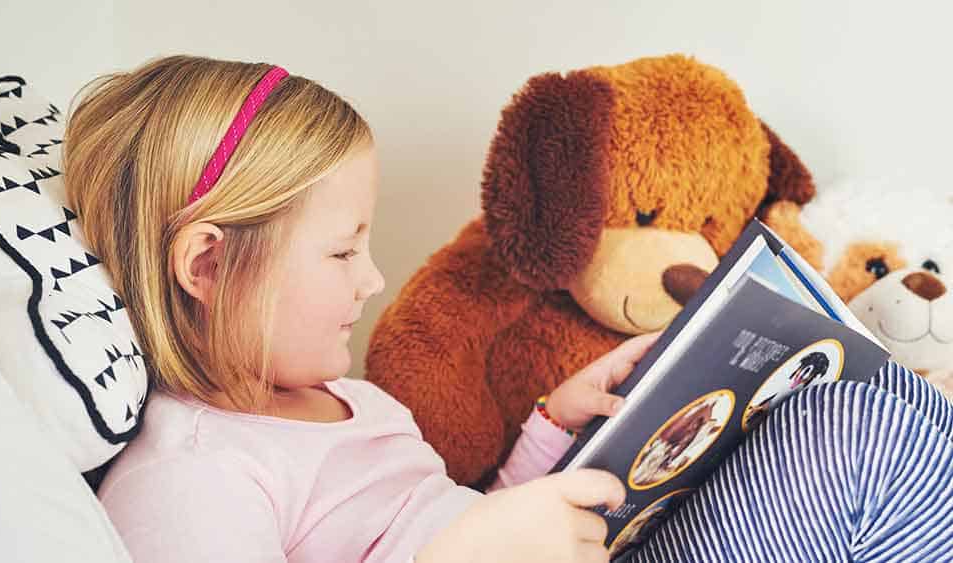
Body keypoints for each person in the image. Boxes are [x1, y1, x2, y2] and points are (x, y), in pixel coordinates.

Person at [67, 55, 953, 563]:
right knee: (872, 428)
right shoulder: (193, 472)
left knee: (879, 401)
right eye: (342, 252)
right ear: (208, 262)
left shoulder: (352, 403)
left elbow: (469, 516)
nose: (373, 281)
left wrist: (549, 425)